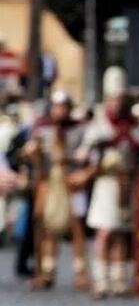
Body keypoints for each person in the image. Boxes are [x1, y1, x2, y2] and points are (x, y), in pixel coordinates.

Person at [79, 68, 139, 299]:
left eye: (121, 99)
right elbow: (85, 151)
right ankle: (101, 280)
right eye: (114, 99)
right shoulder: (100, 124)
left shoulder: (136, 125)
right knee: (105, 231)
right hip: (107, 182)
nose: (117, 104)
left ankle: (119, 278)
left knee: (123, 232)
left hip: (129, 183)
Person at [23, 90, 87, 291]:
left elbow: (87, 156)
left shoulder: (79, 129)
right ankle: (46, 270)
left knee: (76, 227)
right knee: (46, 228)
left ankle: (80, 272)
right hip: (49, 182)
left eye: (63, 107)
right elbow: (32, 155)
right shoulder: (42, 129)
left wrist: (81, 170)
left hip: (71, 181)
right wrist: (33, 153)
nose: (60, 111)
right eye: (57, 107)